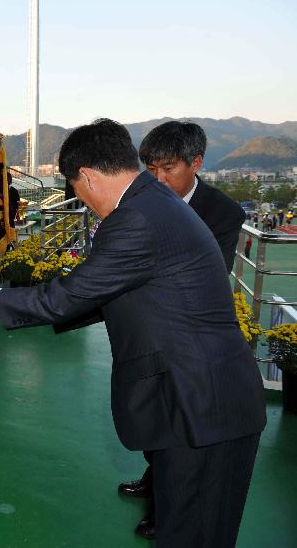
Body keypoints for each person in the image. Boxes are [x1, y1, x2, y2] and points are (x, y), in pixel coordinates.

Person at [0, 118, 266, 548]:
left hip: (202, 405)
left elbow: (70, 295)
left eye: (77, 189)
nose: (83, 201)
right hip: (199, 400)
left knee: (194, 535)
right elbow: (104, 294)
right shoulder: (153, 204)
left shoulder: (137, 218)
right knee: (185, 528)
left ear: (87, 176)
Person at [105, 120, 248, 539]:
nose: (158, 178)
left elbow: (211, 273)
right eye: (150, 168)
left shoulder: (223, 212)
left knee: (181, 431)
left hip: (190, 340)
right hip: (144, 337)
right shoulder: (138, 203)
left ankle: (163, 509)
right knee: (154, 420)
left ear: (196, 163)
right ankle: (155, 481)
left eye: (168, 168)